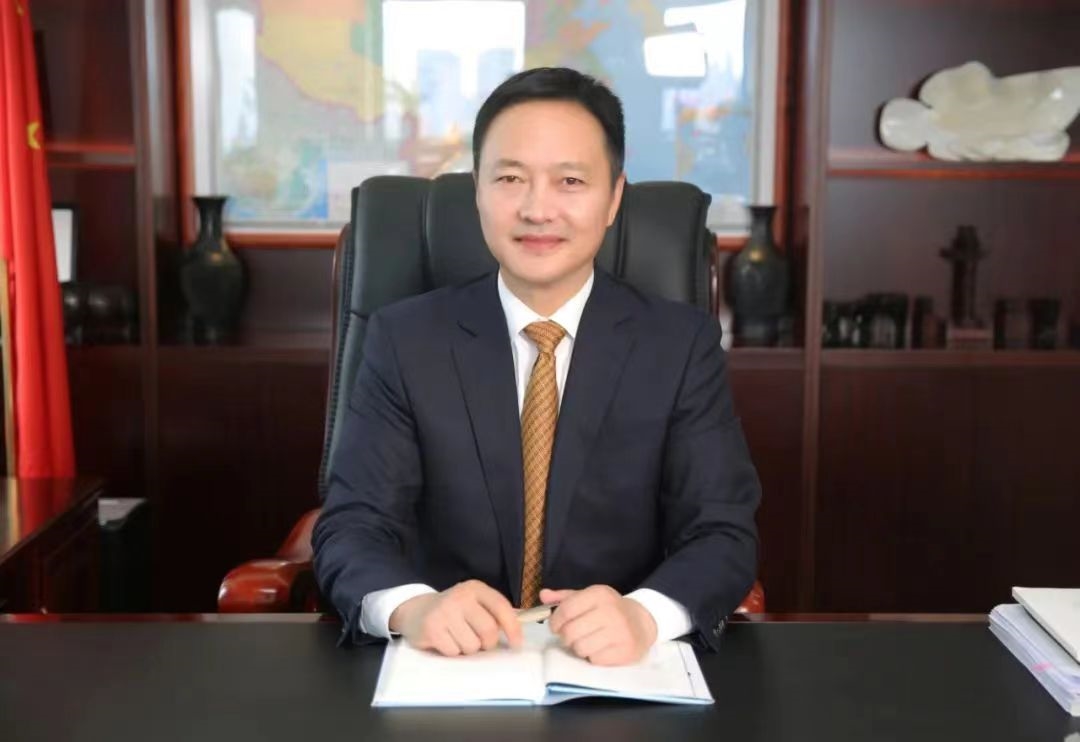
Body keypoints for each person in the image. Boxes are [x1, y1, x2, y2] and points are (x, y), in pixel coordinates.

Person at [313, 67, 760, 667]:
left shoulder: (680, 346)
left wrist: (645, 616)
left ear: (614, 198)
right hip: (445, 669)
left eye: (570, 180)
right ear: (477, 190)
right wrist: (413, 608)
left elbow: (722, 530)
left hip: (617, 675)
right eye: (510, 179)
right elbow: (352, 524)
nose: (537, 209)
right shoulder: (405, 339)